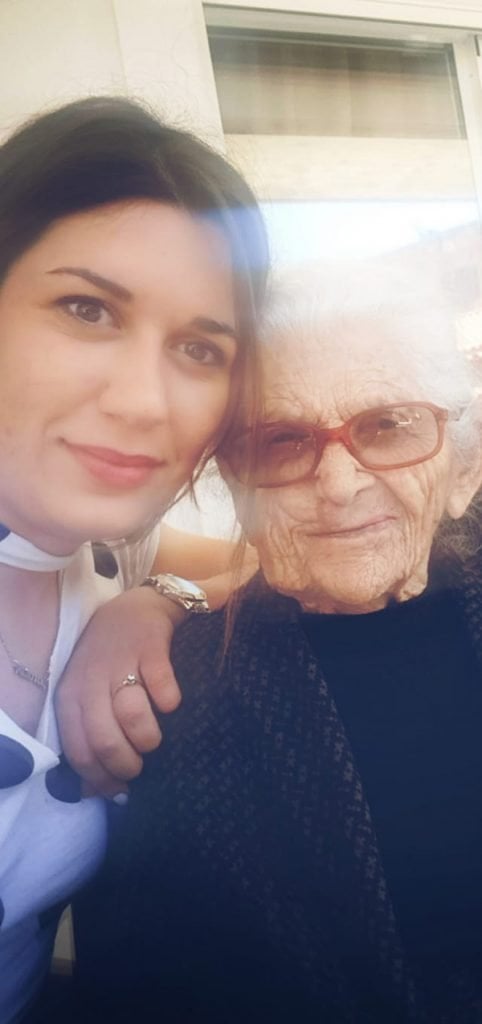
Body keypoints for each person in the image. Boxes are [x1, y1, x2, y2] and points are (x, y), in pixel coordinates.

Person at [74, 262, 482, 1023]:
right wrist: (157, 601)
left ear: (465, 465)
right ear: (237, 488)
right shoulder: (180, 698)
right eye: (282, 442)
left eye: (389, 424)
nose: (340, 484)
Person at [0, 94, 268, 1024]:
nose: (145, 402)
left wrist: (154, 603)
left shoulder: (108, 549)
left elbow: (268, 568)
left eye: (199, 348)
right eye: (87, 309)